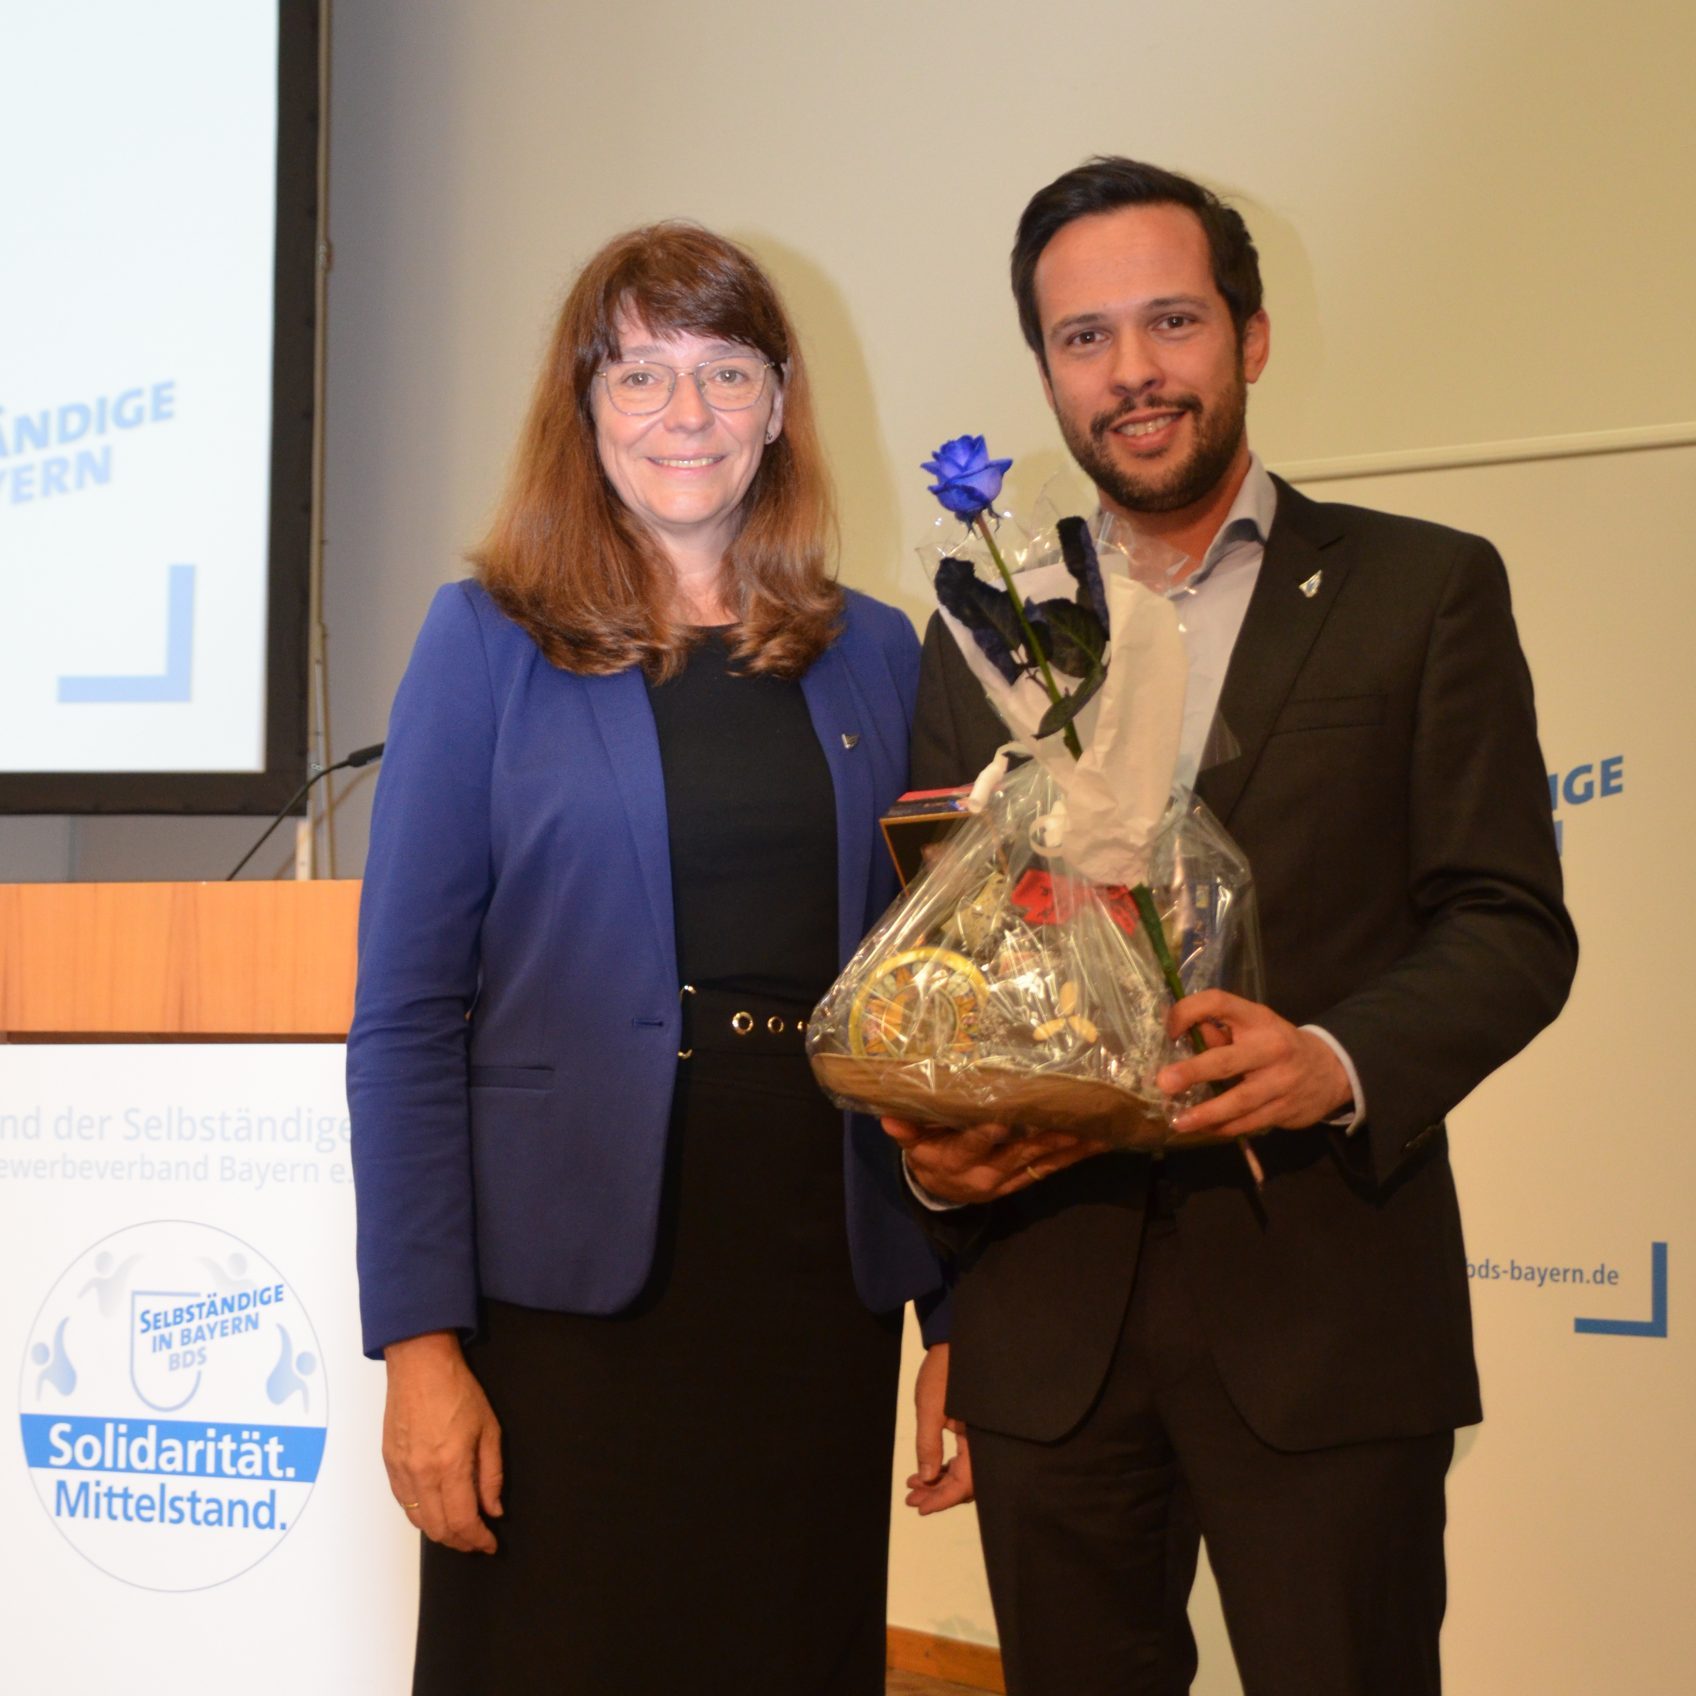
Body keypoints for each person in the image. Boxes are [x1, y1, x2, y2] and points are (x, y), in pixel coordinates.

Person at [890, 158, 1577, 1696]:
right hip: (1050, 1325)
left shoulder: (1423, 590)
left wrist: (1336, 1058)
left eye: (1172, 321)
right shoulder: (986, 631)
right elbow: (939, 964)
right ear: (1047, 372)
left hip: (1328, 1309)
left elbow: (1512, 923)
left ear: (1250, 336)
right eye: (1084, 338)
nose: (1131, 371)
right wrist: (942, 1206)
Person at [348, 222, 946, 1696]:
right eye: (640, 374)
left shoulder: (878, 652)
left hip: (815, 1272)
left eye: (727, 372)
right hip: (561, 1295)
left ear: (780, 403)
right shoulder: (485, 641)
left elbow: (938, 1007)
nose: (688, 413)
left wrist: (960, 1315)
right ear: (586, 404)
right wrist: (419, 1343)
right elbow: (407, 1016)